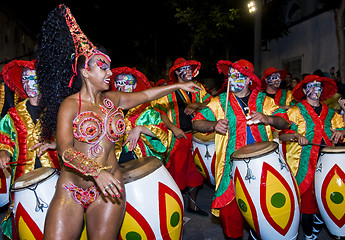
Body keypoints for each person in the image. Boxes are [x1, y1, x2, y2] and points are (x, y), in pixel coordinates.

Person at [36, 5, 201, 240]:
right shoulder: (70, 105)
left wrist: (178, 85)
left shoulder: (114, 99)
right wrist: (95, 172)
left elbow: (146, 95)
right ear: (85, 71)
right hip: (71, 190)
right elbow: (65, 150)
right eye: (102, 67)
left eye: (109, 67)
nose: (110, 73)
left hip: (109, 189)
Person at [192, 59, 290, 240]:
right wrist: (214, 125)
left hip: (263, 167)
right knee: (231, 216)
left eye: (237, 77)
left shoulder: (264, 101)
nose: (232, 80)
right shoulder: (220, 102)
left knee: (265, 213)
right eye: (230, 76)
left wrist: (267, 119)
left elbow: (285, 122)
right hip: (231, 168)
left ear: (247, 80)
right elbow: (197, 122)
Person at [279, 75, 345, 240]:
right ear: (304, 90)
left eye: (318, 86)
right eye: (311, 86)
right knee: (307, 206)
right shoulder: (295, 111)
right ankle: (309, 236)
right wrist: (295, 135)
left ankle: (319, 223)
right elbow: (283, 136)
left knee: (329, 201)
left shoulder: (331, 113)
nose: (315, 90)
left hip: (329, 166)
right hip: (304, 166)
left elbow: (343, 130)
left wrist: (341, 132)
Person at [0, 59, 60, 239]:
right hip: (22, 178)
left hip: (55, 176)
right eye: (25, 78)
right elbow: (5, 139)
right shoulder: (13, 114)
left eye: (33, 78)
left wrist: (57, 144)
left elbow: (72, 138)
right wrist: (3, 152)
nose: (29, 83)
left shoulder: (57, 110)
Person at [153, 57, 212, 216]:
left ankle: (192, 206)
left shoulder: (198, 87)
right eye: (184, 69)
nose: (188, 72)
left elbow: (211, 103)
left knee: (195, 174)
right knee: (176, 174)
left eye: (189, 69)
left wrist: (196, 105)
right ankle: (173, 209)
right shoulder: (169, 89)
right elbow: (160, 112)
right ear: (177, 72)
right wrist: (173, 129)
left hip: (197, 137)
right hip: (178, 138)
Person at [110, 67, 168, 163]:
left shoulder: (145, 110)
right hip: (114, 163)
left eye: (129, 83)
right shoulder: (109, 109)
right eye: (120, 83)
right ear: (115, 84)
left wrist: (140, 129)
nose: (124, 87)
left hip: (141, 161)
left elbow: (163, 136)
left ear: (135, 85)